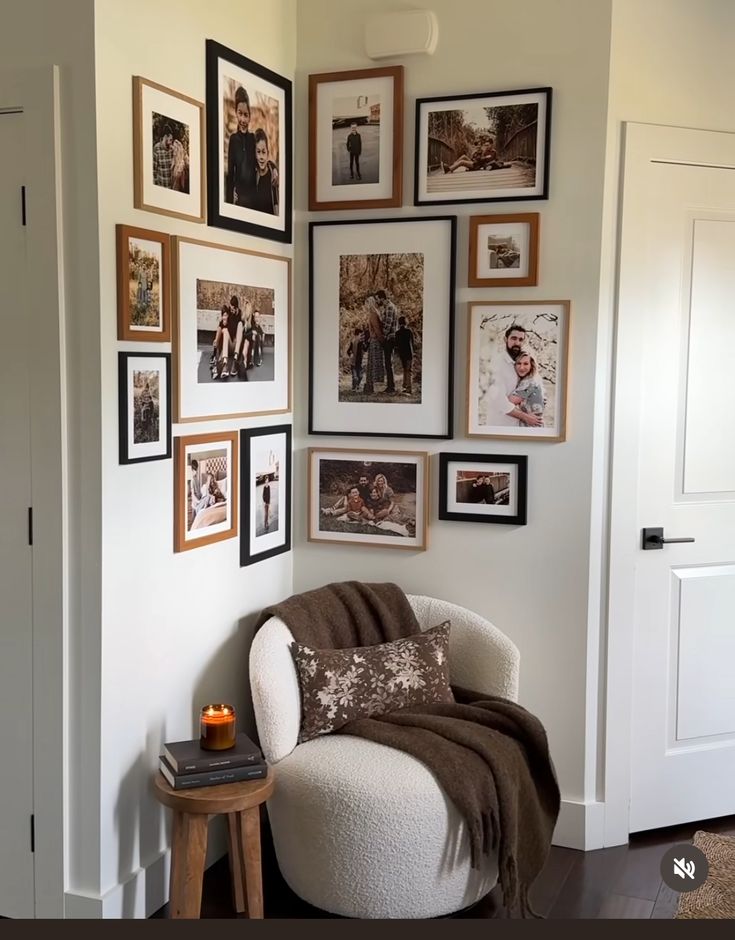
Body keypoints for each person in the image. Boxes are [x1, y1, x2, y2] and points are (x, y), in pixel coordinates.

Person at [483, 324, 544, 428]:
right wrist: (525, 417)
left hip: (519, 425)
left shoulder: (518, 361)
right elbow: (498, 400)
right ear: (505, 339)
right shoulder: (497, 363)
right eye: (514, 338)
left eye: (521, 340)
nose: (517, 343)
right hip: (501, 424)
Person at [226, 86, 256, 207]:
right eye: (240, 113)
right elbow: (230, 173)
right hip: (238, 200)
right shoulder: (233, 140)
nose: (243, 119)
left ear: (250, 115)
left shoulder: (253, 138)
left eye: (246, 114)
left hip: (254, 199)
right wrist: (229, 199)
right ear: (235, 112)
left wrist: (274, 169)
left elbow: (264, 159)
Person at [507, 351, 545, 426]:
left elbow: (506, 403)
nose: (522, 367)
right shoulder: (531, 380)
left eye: (526, 364)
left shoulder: (530, 383)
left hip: (531, 427)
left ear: (532, 365)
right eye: (519, 363)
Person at [374, 289, 398, 395]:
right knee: (388, 362)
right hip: (390, 338)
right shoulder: (388, 306)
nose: (377, 300)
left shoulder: (389, 307)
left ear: (382, 298)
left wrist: (382, 337)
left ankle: (391, 387)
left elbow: (387, 325)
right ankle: (390, 386)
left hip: (390, 338)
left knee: (388, 363)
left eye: (377, 298)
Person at [251, 128, 278, 215]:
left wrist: (274, 168)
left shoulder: (273, 175)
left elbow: (276, 203)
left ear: (268, 153)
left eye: (263, 152)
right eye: (258, 152)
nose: (261, 157)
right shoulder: (252, 174)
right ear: (254, 154)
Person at [362, 296, 385, 395]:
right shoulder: (374, 313)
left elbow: (376, 328)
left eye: (367, 304)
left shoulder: (373, 313)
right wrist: (382, 340)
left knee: (372, 364)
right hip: (375, 340)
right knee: (373, 365)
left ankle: (369, 387)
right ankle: (370, 387)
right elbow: (377, 329)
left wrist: (381, 340)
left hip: (374, 340)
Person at [394, 316, 414, 395]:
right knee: (408, 370)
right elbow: (412, 342)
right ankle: (408, 388)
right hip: (409, 353)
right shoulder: (409, 331)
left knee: (405, 369)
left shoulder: (397, 333)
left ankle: (405, 386)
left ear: (399, 323)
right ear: (406, 323)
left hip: (402, 354)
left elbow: (396, 345)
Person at [152, 124, 174, 188]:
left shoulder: (172, 149)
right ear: (165, 137)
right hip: (161, 188)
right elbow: (154, 171)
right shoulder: (156, 148)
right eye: (170, 140)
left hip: (171, 189)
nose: (171, 142)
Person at [346, 326, 367, 391]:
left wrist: (368, 343)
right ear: (357, 335)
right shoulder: (353, 342)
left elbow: (365, 349)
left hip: (360, 363)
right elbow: (348, 351)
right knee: (355, 377)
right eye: (360, 335)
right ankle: (353, 387)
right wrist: (350, 354)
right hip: (354, 362)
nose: (362, 337)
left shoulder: (362, 343)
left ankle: (357, 385)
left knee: (360, 376)